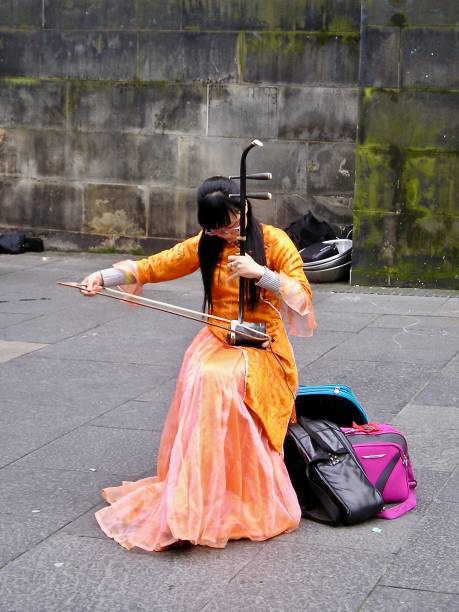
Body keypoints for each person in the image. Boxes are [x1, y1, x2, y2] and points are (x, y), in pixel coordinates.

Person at [81, 176, 316, 551]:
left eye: (231, 223)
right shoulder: (207, 244)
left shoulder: (273, 241)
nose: (225, 232)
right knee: (202, 373)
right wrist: (103, 277)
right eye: (216, 227)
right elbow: (157, 265)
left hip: (263, 345)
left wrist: (262, 274)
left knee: (219, 379)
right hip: (217, 338)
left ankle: (242, 495)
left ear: (244, 208)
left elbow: (302, 295)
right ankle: (196, 494)